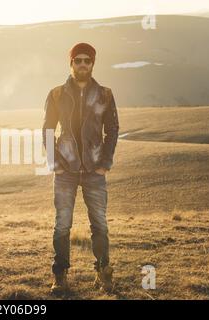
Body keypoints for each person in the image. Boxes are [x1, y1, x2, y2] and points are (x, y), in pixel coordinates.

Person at [42, 42, 120, 295]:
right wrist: (55, 163)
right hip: (65, 170)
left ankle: (103, 272)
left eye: (87, 60)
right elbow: (47, 130)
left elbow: (113, 130)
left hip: (94, 171)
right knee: (62, 224)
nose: (83, 64)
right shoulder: (56, 94)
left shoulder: (105, 94)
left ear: (93, 64)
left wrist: (104, 164)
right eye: (78, 60)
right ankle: (60, 275)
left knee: (99, 224)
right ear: (71, 63)